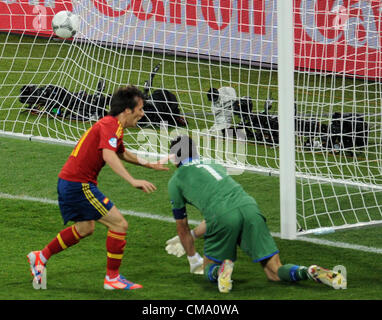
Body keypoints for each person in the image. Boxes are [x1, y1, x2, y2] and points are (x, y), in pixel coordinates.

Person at [27, 85, 169, 290]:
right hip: (79, 185)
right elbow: (108, 155)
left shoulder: (112, 126)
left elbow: (120, 152)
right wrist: (132, 180)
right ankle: (112, 279)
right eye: (140, 108)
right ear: (127, 110)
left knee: (85, 228)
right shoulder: (110, 125)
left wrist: (149, 164)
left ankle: (41, 256)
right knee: (119, 224)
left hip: (70, 182)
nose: (142, 113)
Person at [165, 135, 347, 293]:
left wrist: (192, 258)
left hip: (221, 216)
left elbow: (183, 227)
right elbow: (225, 205)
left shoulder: (175, 181)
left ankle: (220, 271)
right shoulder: (213, 164)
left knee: (208, 267)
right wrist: (195, 235)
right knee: (275, 272)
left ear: (174, 158)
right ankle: (308, 271)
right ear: (195, 152)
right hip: (249, 207)